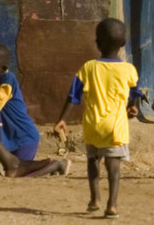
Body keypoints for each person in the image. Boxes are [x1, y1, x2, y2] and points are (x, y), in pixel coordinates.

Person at [53, 18, 140, 216]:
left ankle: (94, 199)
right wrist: (133, 107)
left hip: (92, 124)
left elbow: (73, 96)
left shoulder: (88, 67)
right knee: (113, 165)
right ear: (123, 44)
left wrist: (62, 120)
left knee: (92, 161)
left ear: (97, 43)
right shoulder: (128, 69)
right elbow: (135, 92)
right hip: (115, 127)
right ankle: (112, 205)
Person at [0, 43, 40, 167]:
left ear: (3, 68)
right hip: (9, 139)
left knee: (20, 170)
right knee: (12, 169)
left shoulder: (7, 81)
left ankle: (55, 165)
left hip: (23, 137)